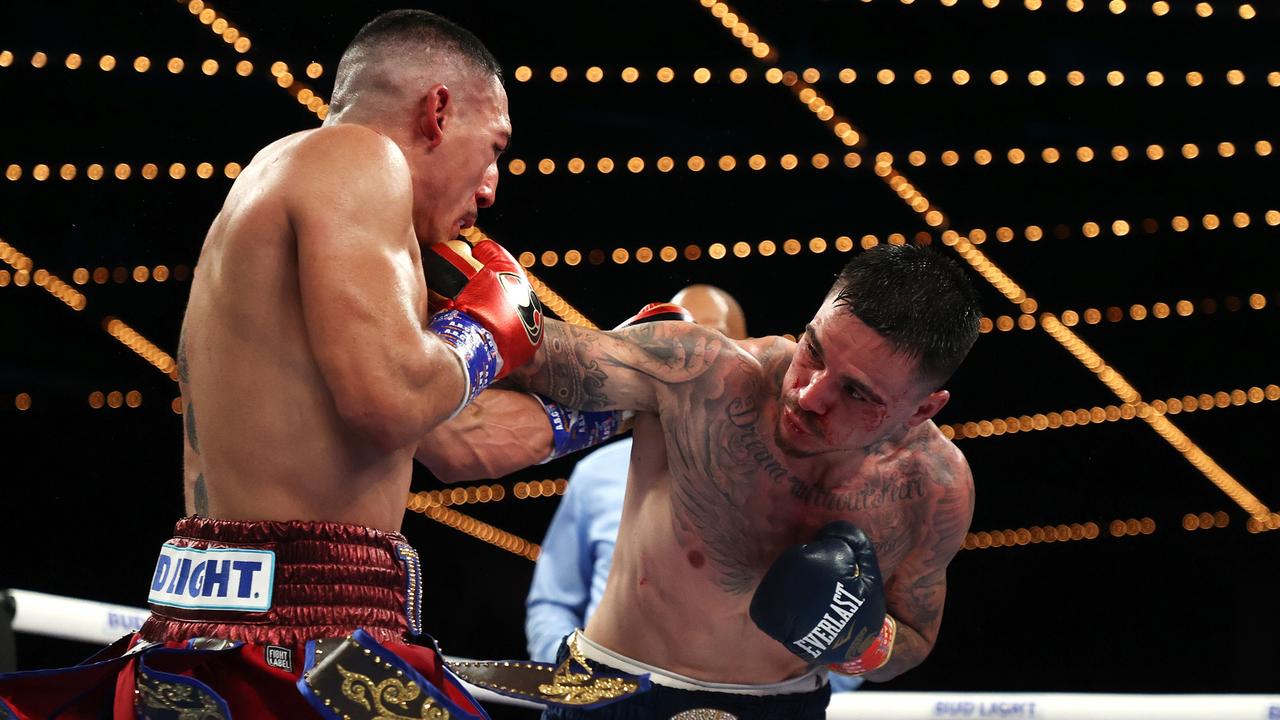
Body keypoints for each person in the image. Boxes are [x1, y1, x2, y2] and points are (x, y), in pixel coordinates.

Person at [0, 10, 542, 719]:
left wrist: (628, 406)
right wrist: (485, 329)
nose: (490, 186)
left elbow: (451, 441)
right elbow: (392, 401)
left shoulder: (289, 186)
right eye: (493, 147)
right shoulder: (358, 159)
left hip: (211, 632)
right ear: (437, 112)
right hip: (303, 647)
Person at [423, 244, 981, 718]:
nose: (808, 395)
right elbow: (535, 351)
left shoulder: (933, 489)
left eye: (857, 392)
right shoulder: (706, 376)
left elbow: (915, 638)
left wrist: (863, 643)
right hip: (618, 690)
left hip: (784, 705)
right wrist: (414, 256)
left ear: (921, 408)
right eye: (813, 351)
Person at [524, 285, 750, 663]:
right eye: (679, 344)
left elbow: (837, 617)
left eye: (716, 343)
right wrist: (570, 678)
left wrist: (815, 688)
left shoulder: (781, 473)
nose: (696, 361)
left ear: (749, 353)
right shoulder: (596, 472)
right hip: (607, 697)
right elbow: (552, 602)